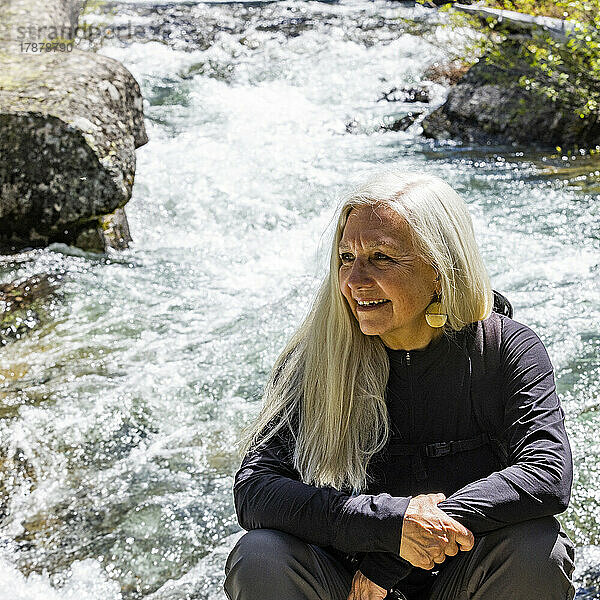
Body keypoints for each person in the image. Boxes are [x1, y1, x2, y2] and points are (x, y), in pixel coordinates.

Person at [223, 170, 576, 600]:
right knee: (260, 555)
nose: (354, 282)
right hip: (352, 589)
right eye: (346, 258)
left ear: (440, 269)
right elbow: (256, 489)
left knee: (537, 549)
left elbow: (548, 474)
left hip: (461, 580)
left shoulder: (504, 348)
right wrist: (388, 524)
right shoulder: (313, 360)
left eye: (382, 258)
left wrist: (400, 551)